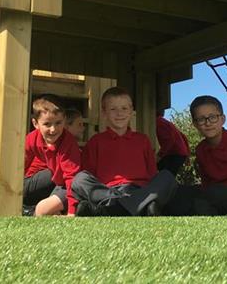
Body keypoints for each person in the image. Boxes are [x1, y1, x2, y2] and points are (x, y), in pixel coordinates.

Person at [72, 86, 177, 216]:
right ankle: (140, 206)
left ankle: (113, 208)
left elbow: (152, 174)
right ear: (104, 113)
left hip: (139, 190)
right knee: (79, 179)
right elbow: (89, 175)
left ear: (131, 111)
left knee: (167, 176)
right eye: (113, 109)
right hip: (108, 192)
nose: (119, 113)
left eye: (124, 108)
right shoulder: (96, 141)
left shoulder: (142, 140)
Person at [23, 94, 81, 216]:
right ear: (35, 123)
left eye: (58, 123)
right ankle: (28, 208)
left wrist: (71, 212)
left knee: (42, 211)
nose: (53, 129)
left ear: (64, 120)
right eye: (47, 124)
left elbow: (71, 179)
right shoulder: (32, 139)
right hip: (57, 180)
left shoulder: (68, 143)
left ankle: (77, 207)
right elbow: (18, 169)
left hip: (73, 186)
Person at [155, 110, 190, 176]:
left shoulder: (158, 122)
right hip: (179, 154)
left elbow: (169, 141)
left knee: (167, 176)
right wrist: (187, 154)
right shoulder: (166, 122)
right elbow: (183, 136)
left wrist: (159, 155)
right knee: (160, 169)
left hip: (175, 154)